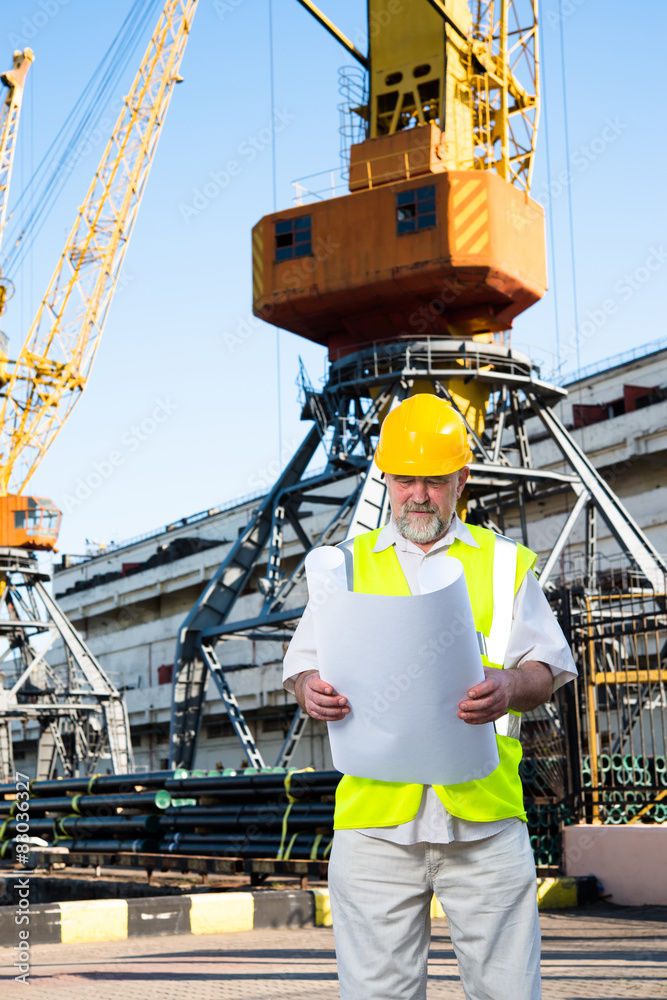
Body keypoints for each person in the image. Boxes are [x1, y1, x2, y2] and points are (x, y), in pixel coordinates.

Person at [283, 393, 577, 1000]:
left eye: (435, 481)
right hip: (375, 826)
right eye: (406, 479)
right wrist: (309, 691)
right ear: (386, 479)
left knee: (507, 993)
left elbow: (549, 665)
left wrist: (510, 687)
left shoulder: (502, 564)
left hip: (486, 822)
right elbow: (300, 668)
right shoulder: (343, 566)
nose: (419, 495)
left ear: (461, 480)